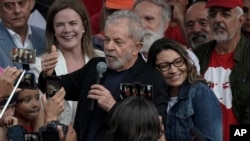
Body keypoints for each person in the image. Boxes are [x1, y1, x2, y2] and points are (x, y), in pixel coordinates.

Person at [38, 10, 168, 141]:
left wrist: (113, 107)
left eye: (118, 42)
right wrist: (48, 75)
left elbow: (154, 130)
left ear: (137, 47)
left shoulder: (152, 80)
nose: (109, 47)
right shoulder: (96, 67)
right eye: (107, 40)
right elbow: (57, 91)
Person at [30, 0, 104, 125]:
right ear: (53, 29)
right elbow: (38, 117)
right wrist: (48, 76)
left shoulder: (102, 61)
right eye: (59, 25)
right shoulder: (39, 65)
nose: (67, 30)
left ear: (84, 26)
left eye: (73, 23)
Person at [193, 0, 250, 141]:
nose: (218, 19)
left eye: (225, 14)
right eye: (212, 14)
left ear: (240, 20)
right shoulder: (198, 55)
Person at [147, 38, 222, 141]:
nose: (173, 70)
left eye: (178, 61)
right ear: (154, 69)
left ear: (186, 61)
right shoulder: (152, 95)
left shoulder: (200, 93)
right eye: (164, 66)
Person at [133, 0, 200, 73]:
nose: (142, 25)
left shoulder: (186, 57)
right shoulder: (121, 55)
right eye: (136, 19)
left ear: (165, 25)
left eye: (149, 19)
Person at [0, 0, 46, 68]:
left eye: (22, 3)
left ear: (31, 4)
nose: (17, 10)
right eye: (9, 5)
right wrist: (40, 59)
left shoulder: (45, 35)